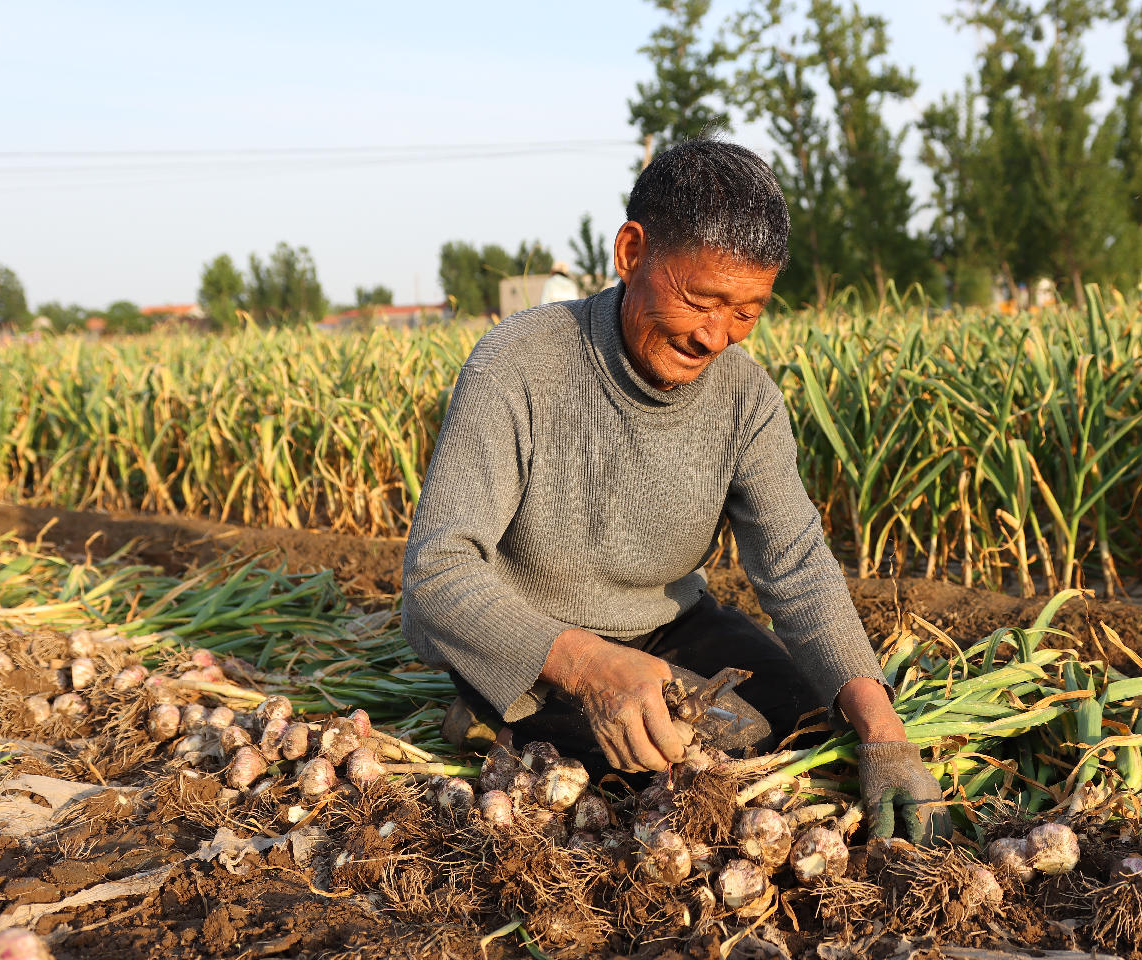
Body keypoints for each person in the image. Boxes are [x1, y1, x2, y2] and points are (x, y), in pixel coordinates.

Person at [401, 139, 950, 844]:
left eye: (746, 312)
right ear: (631, 253)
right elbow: (436, 572)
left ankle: (533, 728)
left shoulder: (746, 399)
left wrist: (883, 731)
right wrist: (591, 666)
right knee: (704, 756)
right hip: (534, 641)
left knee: (813, 722)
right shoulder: (518, 365)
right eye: (701, 300)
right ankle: (490, 717)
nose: (716, 337)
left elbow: (796, 564)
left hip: (669, 624)